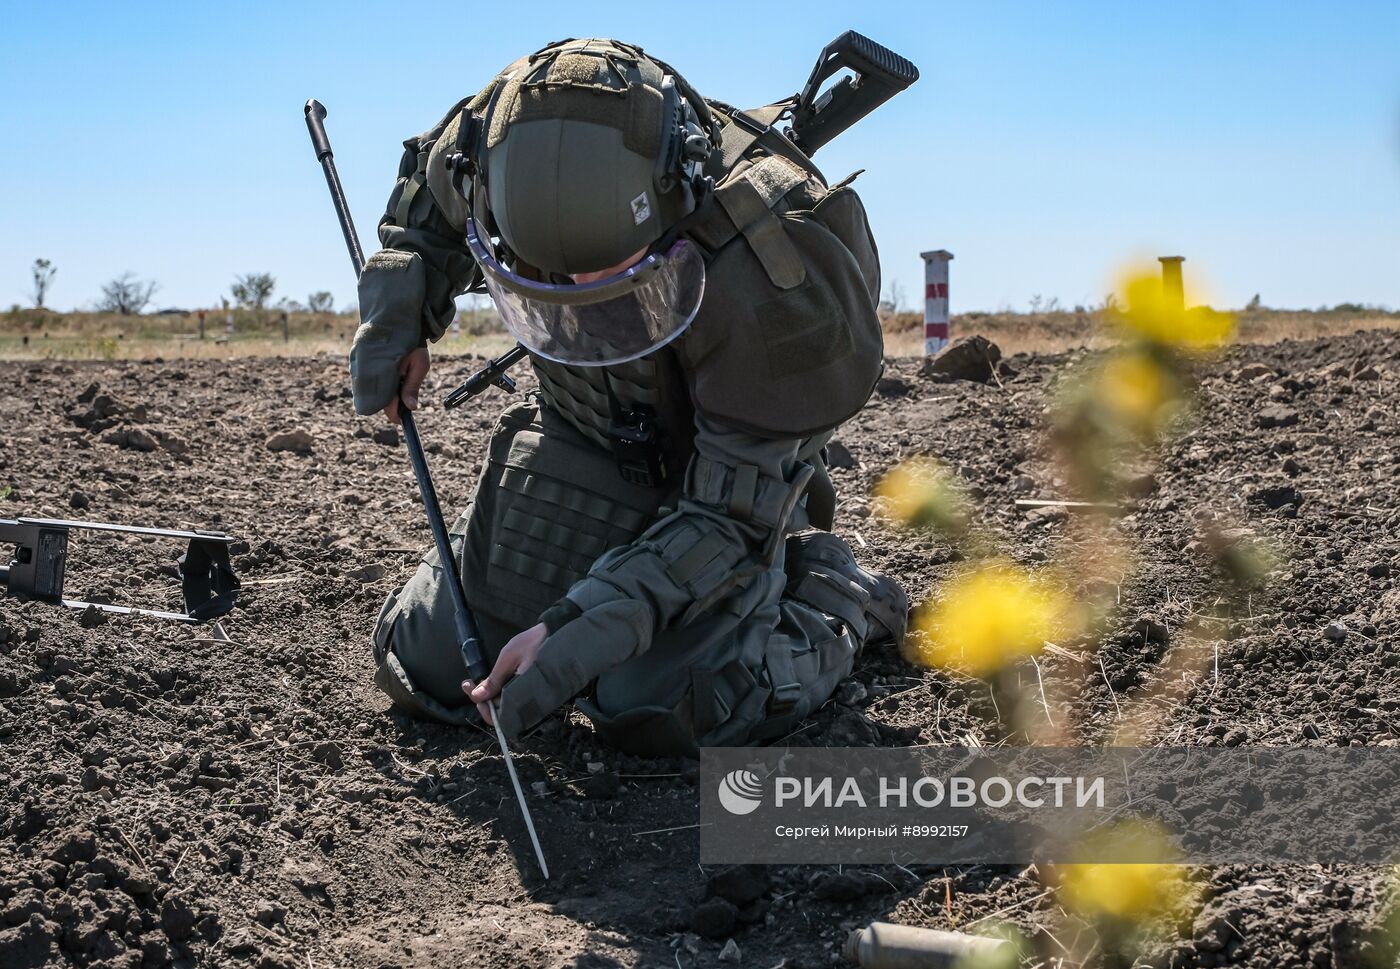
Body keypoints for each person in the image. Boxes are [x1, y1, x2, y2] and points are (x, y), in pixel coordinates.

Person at [349, 37, 908, 757]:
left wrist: (580, 628)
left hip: (718, 488)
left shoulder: (770, 263)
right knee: (430, 662)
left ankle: (833, 592)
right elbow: (424, 208)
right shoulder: (490, 148)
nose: (580, 313)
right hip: (584, 436)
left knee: (664, 705)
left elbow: (726, 512)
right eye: (546, 284)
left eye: (612, 285)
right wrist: (402, 308)